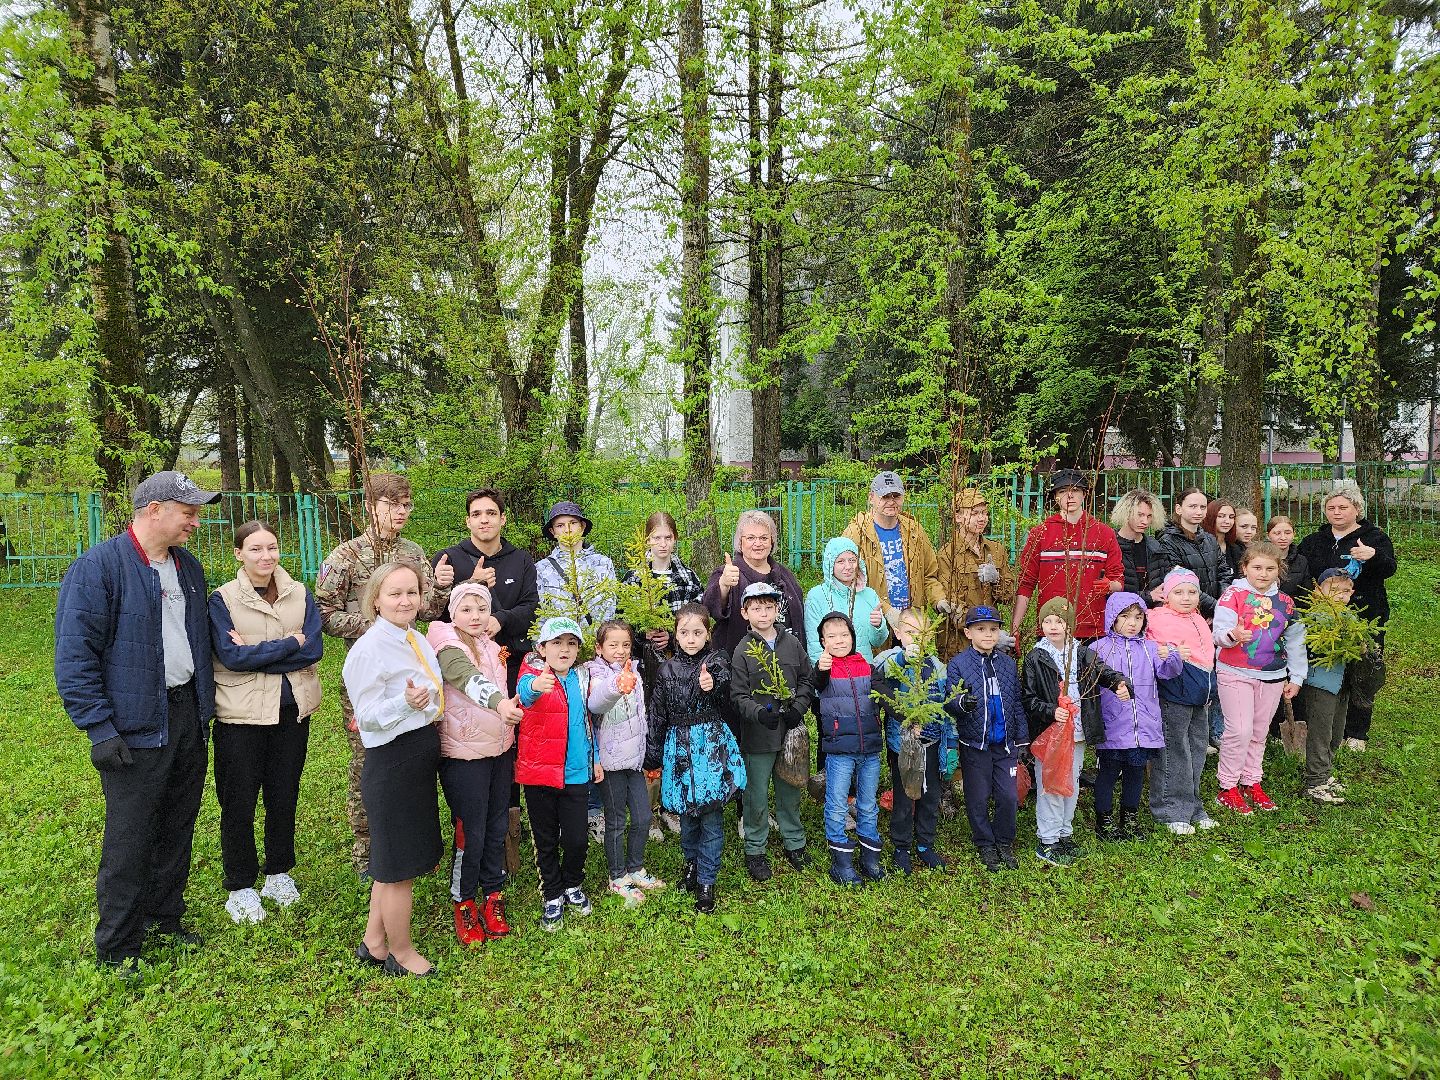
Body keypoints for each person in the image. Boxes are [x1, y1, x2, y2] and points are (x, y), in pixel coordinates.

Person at [55, 470, 220, 975]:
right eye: (187, 511)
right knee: (130, 836)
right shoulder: (99, 568)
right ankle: (119, 944)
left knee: (177, 821)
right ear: (153, 510)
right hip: (132, 724)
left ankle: (165, 916)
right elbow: (75, 655)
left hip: (185, 716)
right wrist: (99, 728)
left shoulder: (187, 568)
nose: (196, 520)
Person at [316, 472, 452, 876]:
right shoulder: (346, 556)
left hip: (411, 675)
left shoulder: (413, 552)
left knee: (412, 755)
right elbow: (323, 614)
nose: (402, 512)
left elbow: (427, 610)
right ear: (370, 506)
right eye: (393, 504)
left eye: (407, 505)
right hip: (370, 673)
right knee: (368, 759)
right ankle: (367, 848)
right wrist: (377, 624)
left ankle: (409, 841)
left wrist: (442, 589)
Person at [208, 520, 323, 924]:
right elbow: (230, 656)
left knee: (283, 794)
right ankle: (240, 885)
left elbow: (314, 651)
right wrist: (290, 642)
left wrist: (262, 651)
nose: (266, 557)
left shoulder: (300, 594)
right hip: (240, 717)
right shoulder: (221, 600)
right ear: (238, 554)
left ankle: (278, 873)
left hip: (292, 711)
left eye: (271, 548)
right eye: (255, 549)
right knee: (238, 800)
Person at [342, 562, 445, 978]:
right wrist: (406, 704)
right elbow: (366, 717)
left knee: (389, 863)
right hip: (393, 761)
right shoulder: (368, 649)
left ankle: (374, 942)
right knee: (398, 868)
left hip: (417, 754)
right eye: (395, 594)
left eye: (412, 593)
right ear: (376, 600)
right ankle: (401, 954)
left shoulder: (413, 638)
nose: (405, 601)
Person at [425, 582, 524, 945]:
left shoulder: (490, 644)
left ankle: (493, 894)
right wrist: (501, 704)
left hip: (499, 750)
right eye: (466, 609)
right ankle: (464, 901)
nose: (475, 616)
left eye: (481, 609)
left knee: (497, 825)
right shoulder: (447, 643)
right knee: (472, 831)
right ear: (453, 613)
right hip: (464, 756)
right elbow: (468, 680)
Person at [650, 603, 746, 915]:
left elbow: (726, 688)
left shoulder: (715, 661)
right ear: (675, 635)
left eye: (698, 632)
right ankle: (691, 866)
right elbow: (657, 713)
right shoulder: (665, 670)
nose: (691, 638)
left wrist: (713, 685)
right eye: (684, 632)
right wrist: (652, 755)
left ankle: (707, 880)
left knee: (710, 816)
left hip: (710, 749)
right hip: (679, 749)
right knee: (687, 816)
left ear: (708, 634)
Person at [1022, 598, 1130, 868]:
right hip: (1051, 733)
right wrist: (1049, 711)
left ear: (1069, 626)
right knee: (1051, 783)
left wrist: (1119, 682)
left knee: (1072, 782)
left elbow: (1103, 673)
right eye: (1047, 621)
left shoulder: (1082, 653)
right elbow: (1028, 697)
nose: (1053, 626)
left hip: (1078, 731)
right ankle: (1047, 840)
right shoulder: (1036, 656)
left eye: (1059, 621)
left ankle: (1064, 833)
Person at [1295, 481, 1395, 752]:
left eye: (1343, 507)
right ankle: (1315, 723)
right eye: (1331, 507)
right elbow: (1299, 568)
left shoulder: (1373, 537)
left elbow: (1390, 567)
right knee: (1323, 669)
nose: (1336, 512)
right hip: (1322, 619)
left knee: (1362, 670)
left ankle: (1357, 731)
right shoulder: (1316, 540)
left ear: (1356, 509)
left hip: (1364, 615)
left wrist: (1372, 556)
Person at [728, 581, 817, 881]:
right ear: (745, 612)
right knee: (756, 793)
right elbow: (738, 695)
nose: (763, 613)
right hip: (759, 735)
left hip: (790, 732)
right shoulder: (743, 650)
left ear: (778, 608)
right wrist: (759, 713)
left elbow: (807, 678)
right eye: (756, 608)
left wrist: (799, 708)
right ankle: (755, 848)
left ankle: (795, 841)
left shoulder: (791, 644)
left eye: (769, 607)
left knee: (789, 787)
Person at [516, 617, 600, 932]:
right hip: (539, 774)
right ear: (542, 648)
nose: (563, 650)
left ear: (578, 649)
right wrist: (537, 686)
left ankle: (572, 885)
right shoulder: (532, 673)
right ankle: (552, 893)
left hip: (577, 772)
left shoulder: (581, 678)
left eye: (570, 643)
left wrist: (597, 758)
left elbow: (591, 720)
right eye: (556, 643)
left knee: (577, 838)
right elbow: (525, 693)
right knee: (546, 838)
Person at [1212, 542, 1307, 815]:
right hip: (1235, 672)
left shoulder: (1287, 604)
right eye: (1256, 568)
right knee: (1239, 730)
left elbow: (1295, 641)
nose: (1263, 574)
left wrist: (1297, 677)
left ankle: (1251, 781)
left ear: (1279, 570)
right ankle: (1227, 786)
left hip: (1273, 676)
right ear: (1245, 568)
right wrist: (1232, 636)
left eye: (1270, 568)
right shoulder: (1233, 596)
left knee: (1258, 731)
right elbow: (1218, 633)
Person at [1089, 593, 1182, 841]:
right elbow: (1090, 684)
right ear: (1111, 618)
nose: (1132, 623)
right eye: (1125, 617)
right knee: (1108, 772)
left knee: (1136, 772)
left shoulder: (1151, 648)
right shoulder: (1097, 649)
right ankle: (1104, 821)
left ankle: (1129, 819)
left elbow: (1168, 673)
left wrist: (1171, 657)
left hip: (1144, 726)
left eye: (1138, 617)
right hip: (1113, 725)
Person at [586, 620, 665, 906]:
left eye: (625, 645)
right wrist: (616, 687)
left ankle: (636, 867)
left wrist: (647, 753)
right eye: (613, 645)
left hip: (633, 761)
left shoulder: (635, 672)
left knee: (643, 817)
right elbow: (596, 704)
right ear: (599, 648)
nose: (620, 651)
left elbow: (641, 717)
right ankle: (617, 876)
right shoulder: (594, 675)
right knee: (617, 821)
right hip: (609, 763)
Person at [430, 488, 539, 693]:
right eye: (476, 514)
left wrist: (501, 619)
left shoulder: (521, 559)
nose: (484, 520)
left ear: (503, 518)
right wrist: (470, 583)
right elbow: (433, 614)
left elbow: (532, 607)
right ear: (467, 521)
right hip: (466, 664)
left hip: (514, 662)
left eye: (491, 513)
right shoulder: (448, 560)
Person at [944, 606, 1026, 873]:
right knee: (977, 797)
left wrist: (1022, 738)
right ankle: (985, 843)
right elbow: (950, 701)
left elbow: (1015, 703)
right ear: (968, 633)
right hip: (975, 744)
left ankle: (1004, 841)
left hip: (1004, 745)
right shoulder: (958, 664)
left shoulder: (1008, 664)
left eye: (993, 629)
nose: (988, 634)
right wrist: (962, 703)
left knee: (1008, 795)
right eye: (981, 629)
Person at [872, 608, 954, 874]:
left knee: (930, 795)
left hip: (931, 743)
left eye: (921, 633)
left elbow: (948, 706)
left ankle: (925, 844)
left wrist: (950, 744)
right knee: (905, 796)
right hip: (903, 745)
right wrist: (903, 661)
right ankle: (901, 846)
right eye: (909, 632)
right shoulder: (891, 660)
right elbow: (878, 685)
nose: (915, 639)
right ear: (897, 633)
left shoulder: (938, 667)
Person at [813, 612, 886, 885]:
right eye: (831, 636)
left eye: (844, 635)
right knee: (836, 805)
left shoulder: (867, 666)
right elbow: (816, 684)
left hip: (870, 749)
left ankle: (870, 859)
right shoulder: (823, 667)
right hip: (839, 750)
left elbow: (884, 695)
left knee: (868, 804)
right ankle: (841, 864)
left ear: (853, 638)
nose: (839, 640)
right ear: (823, 641)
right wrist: (821, 668)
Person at [1145, 569, 1220, 835]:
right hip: (1175, 693)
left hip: (1200, 696)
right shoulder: (1156, 618)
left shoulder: (1198, 619)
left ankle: (1193, 805)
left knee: (1197, 749)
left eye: (1192, 592)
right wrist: (1167, 651)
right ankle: (1169, 809)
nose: (1186, 598)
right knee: (1175, 751)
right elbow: (1147, 648)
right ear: (1166, 594)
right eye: (1178, 592)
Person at [1011, 468, 1123, 643]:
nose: (1069, 496)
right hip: (1051, 627)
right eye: (1063, 491)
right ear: (1055, 496)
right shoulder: (1040, 533)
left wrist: (1109, 585)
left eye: (1076, 490)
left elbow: (1119, 581)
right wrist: (1015, 629)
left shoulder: (1104, 533)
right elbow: (1026, 584)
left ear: (1085, 494)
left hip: (1092, 628)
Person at [841, 471, 946, 627]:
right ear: (871, 498)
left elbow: (929, 575)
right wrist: (886, 610)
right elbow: (847, 584)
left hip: (911, 625)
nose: (891, 502)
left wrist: (939, 600)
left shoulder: (914, 531)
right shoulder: (856, 534)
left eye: (895, 496)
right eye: (885, 496)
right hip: (873, 624)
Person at [703, 510, 806, 660]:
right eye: (750, 538)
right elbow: (710, 608)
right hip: (743, 665)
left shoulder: (785, 575)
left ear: (772, 541)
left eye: (764, 538)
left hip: (786, 660)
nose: (758, 543)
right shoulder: (727, 572)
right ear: (740, 541)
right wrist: (724, 585)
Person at [1299, 569, 1360, 805]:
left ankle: (1325, 773)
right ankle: (1315, 781)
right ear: (1318, 591)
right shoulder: (1316, 616)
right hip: (1321, 682)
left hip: (1343, 684)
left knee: (1336, 731)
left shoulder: (1349, 616)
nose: (1340, 596)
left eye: (1346, 591)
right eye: (1334, 590)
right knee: (1321, 732)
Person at [935, 489, 1014, 661]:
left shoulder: (996, 550)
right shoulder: (947, 555)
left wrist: (996, 580)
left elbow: (1007, 597)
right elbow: (952, 607)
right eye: (975, 513)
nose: (982, 518)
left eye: (984, 513)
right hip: (959, 645)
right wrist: (988, 634)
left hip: (991, 645)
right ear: (958, 517)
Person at [804, 537, 889, 663]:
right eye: (840, 561)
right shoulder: (817, 596)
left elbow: (877, 642)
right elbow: (814, 644)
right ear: (830, 563)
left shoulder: (869, 595)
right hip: (832, 674)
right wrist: (824, 674)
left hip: (864, 671)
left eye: (852, 560)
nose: (848, 566)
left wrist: (878, 626)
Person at [535, 500, 617, 631]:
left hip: (597, 643)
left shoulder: (603, 563)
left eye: (573, 523)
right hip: (561, 645)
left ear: (582, 526)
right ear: (553, 531)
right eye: (560, 525)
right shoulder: (542, 569)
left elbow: (610, 607)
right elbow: (541, 613)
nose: (567, 530)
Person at [1157, 487, 1226, 618]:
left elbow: (1224, 572)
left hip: (1216, 613)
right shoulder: (1167, 541)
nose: (1198, 511)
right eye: (1192, 506)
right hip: (1187, 615)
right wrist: (1216, 608)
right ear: (1179, 509)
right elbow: (1181, 582)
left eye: (1203, 507)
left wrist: (1223, 605)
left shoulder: (1210, 539)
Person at [1110, 489, 1167, 603]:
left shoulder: (1156, 547)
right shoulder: (1110, 546)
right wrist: (1148, 596)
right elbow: (1110, 591)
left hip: (1154, 614)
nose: (1145, 521)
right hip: (1122, 615)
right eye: (1140, 515)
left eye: (1149, 516)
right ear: (1126, 512)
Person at [1267, 515, 1311, 599]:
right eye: (1277, 533)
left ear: (1294, 534)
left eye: (1287, 533)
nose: (1283, 537)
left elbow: (1306, 591)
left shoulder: (1301, 561)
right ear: (1268, 535)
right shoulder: (1260, 559)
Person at [1203, 499, 1240, 580]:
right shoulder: (1199, 545)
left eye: (1231, 517)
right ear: (1210, 517)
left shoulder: (1236, 548)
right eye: (1221, 516)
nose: (1227, 521)